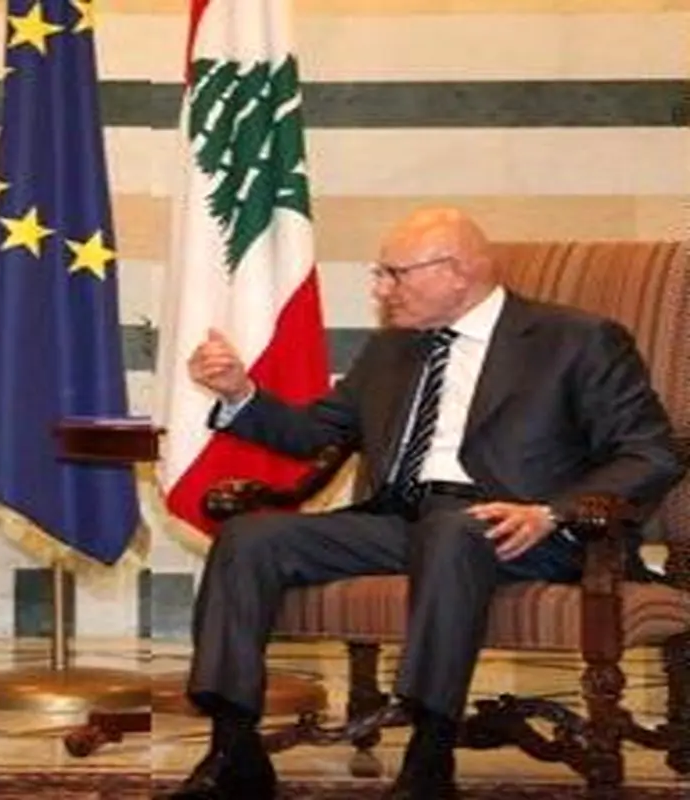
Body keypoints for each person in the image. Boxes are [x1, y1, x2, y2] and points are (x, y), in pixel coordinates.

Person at [171, 207, 684, 800]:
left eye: (394, 274)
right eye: (379, 274)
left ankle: (430, 755)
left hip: (525, 530)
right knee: (250, 538)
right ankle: (234, 749)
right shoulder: (392, 349)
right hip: (405, 521)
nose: (380, 289)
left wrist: (551, 512)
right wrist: (241, 393)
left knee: (454, 531)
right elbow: (314, 434)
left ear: (456, 272)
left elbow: (650, 453)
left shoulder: (575, 340)